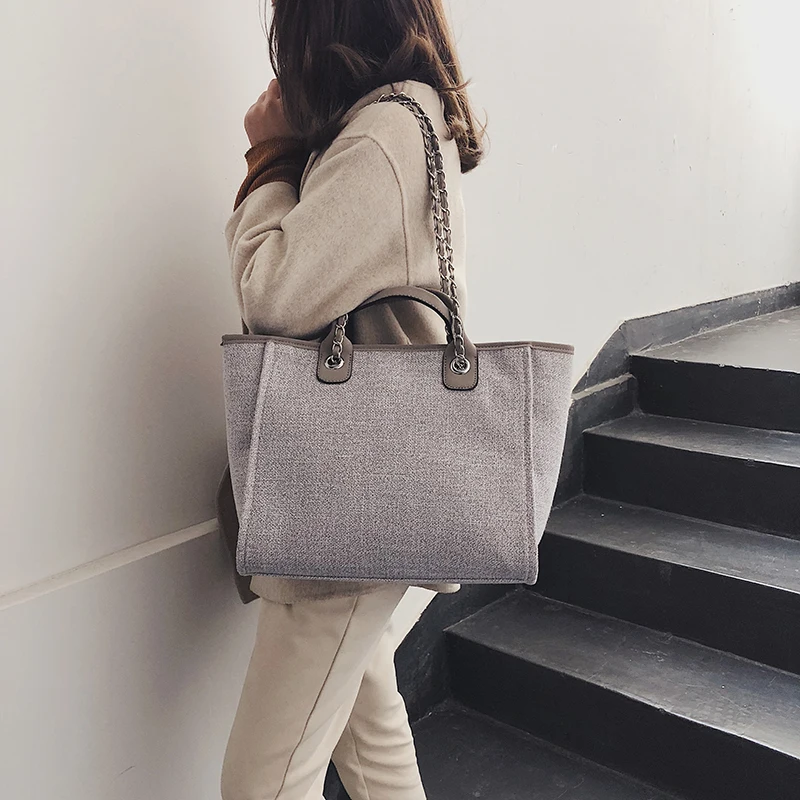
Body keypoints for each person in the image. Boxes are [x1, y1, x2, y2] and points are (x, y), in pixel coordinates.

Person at [218, 1, 486, 797]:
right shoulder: (404, 119)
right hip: (366, 488)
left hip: (352, 496)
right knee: (371, 744)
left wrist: (269, 157)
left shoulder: (384, 132)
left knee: (261, 784)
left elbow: (272, 293)